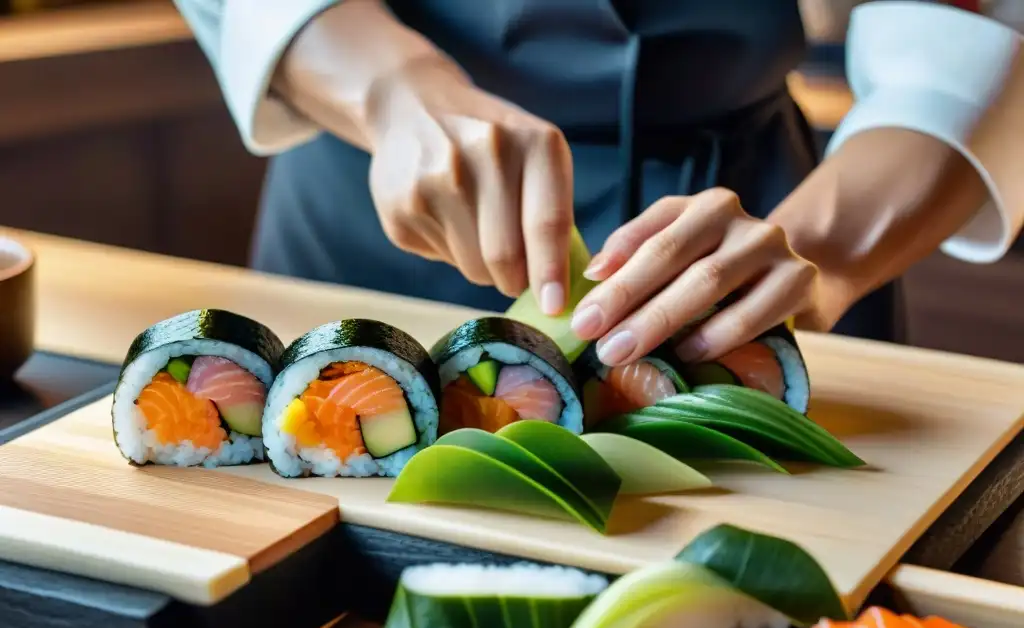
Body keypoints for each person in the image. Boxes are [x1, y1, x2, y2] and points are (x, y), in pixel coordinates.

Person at [174, 0, 1023, 368]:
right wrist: (394, 90)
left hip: (778, 233)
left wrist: (820, 252)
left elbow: (967, 27)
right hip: (360, 229)